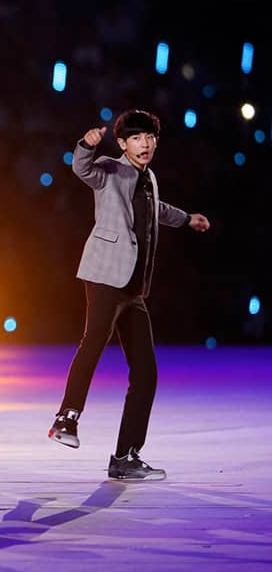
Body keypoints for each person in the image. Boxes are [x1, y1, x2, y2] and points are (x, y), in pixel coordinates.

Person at [48, 109, 211, 481]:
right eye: (137, 138)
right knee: (94, 342)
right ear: (122, 144)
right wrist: (85, 146)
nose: (146, 144)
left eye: (151, 138)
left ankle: (125, 456)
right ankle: (66, 418)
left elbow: (158, 212)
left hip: (134, 289)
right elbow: (82, 169)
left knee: (146, 373)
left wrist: (187, 219)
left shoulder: (148, 177)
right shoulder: (109, 168)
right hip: (106, 276)